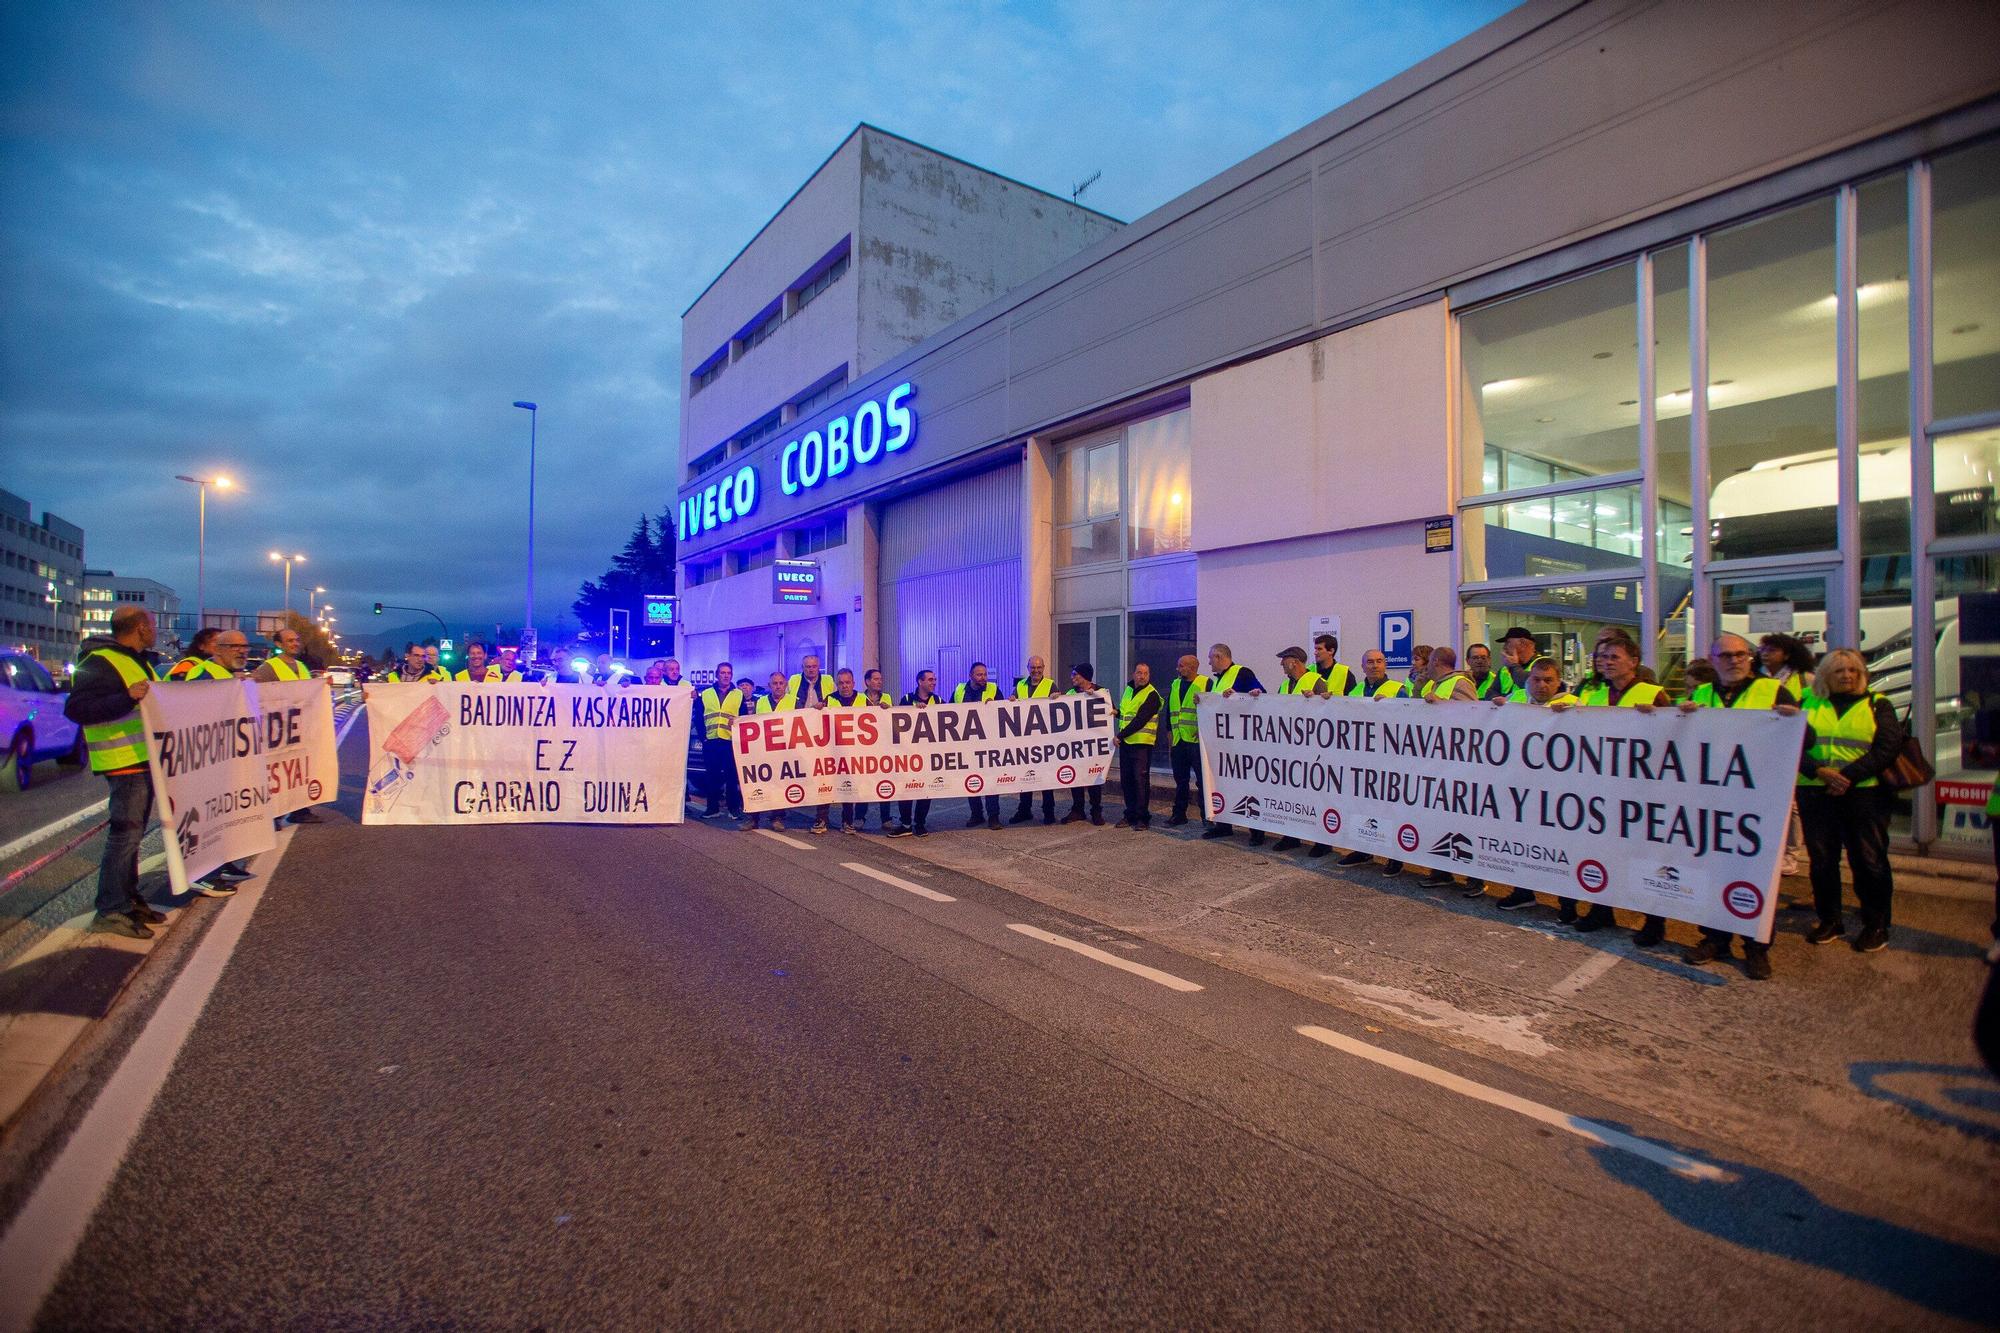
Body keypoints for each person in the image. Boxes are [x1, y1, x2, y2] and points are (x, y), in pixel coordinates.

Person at [1676, 634, 1806, 979]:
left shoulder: (1773, 691)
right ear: (1713, 659)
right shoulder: (1701, 695)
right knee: (1711, 872)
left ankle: (1756, 947)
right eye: (1726, 655)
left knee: (1755, 874)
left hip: (1757, 802)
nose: (1734, 661)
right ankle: (1715, 939)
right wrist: (1677, 717)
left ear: (1750, 658)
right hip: (1710, 801)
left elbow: (1805, 738)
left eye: (1740, 654)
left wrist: (1793, 720)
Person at [64, 610, 176, 937]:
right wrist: (127, 698)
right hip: (123, 759)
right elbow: (76, 709)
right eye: (153, 625)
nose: (155, 631)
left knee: (133, 836)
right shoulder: (100, 661)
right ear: (140, 627)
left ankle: (128, 900)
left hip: (142, 759)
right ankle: (111, 909)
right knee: (124, 835)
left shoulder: (136, 661)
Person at [1556, 632, 1669, 944]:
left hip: (1639, 790)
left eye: (1614, 657)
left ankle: (1654, 920)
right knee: (1602, 851)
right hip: (1601, 788)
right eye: (1602, 657)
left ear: (1633, 661)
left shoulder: (1653, 693)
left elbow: (1674, 736)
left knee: (1643, 856)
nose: (1606, 662)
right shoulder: (1592, 692)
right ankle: (1602, 909)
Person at [1796, 647, 1903, 955]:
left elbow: (1887, 748)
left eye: (1854, 670)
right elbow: (1789, 742)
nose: (1847, 676)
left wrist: (1846, 777)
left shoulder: (1877, 704)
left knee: (1868, 860)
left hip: (1864, 793)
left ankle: (1876, 924)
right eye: (1840, 670)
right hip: (1815, 791)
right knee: (1822, 861)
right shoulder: (1806, 702)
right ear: (1824, 675)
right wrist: (1820, 772)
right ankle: (1830, 920)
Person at [1336, 650, 1414, 873]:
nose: (1374, 665)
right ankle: (1363, 849)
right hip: (1362, 759)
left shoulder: (1398, 689)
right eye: (1369, 662)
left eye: (1379, 661)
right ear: (1362, 667)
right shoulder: (1356, 691)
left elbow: (1409, 719)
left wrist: (1390, 708)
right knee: (1361, 804)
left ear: (1385, 664)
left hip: (1389, 759)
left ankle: (1395, 857)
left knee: (1390, 808)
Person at [1199, 644, 1265, 845]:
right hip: (1222, 744)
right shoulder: (1217, 681)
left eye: (1211, 658)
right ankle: (1223, 825)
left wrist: (1237, 694)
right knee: (1222, 784)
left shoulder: (1242, 673)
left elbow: (1260, 695)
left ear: (1219, 657)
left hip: (1241, 743)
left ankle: (1256, 831)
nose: (1209, 662)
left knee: (1248, 787)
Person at [1262, 647, 1323, 852]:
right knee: (1290, 795)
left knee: (1314, 797)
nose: (1281, 664)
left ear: (1294, 662)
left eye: (1284, 660)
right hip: (1289, 749)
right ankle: (1291, 836)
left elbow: (1328, 709)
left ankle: (1321, 842)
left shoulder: (1316, 681)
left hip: (1311, 750)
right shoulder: (1286, 684)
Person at [889, 669, 941, 837]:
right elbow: (896, 721)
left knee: (926, 790)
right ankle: (905, 824)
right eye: (930, 679)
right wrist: (914, 711)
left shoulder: (938, 700)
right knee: (906, 788)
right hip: (908, 753)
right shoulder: (907, 699)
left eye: (934, 679)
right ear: (920, 681)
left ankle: (920, 824)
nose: (934, 682)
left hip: (928, 754)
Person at [743, 670, 797, 831]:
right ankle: (753, 818)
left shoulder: (795, 702)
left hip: (783, 751)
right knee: (757, 783)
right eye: (775, 683)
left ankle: (777, 818)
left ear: (785, 685)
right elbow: (751, 722)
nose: (778, 686)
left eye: (781, 683)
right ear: (769, 685)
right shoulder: (760, 702)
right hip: (762, 750)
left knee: (780, 785)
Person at [1008, 655, 1059, 825]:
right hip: (1024, 740)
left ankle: (1049, 812)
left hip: (1044, 740)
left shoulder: (1050, 685)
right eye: (1033, 667)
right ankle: (1024, 810)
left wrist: (1057, 699)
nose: (1036, 671)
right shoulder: (1020, 685)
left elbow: (1059, 710)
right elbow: (1011, 706)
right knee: (1025, 777)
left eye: (1039, 667)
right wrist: (1011, 700)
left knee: (1046, 778)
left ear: (1043, 668)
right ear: (1028, 668)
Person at [953, 661, 1001, 829]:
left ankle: (993, 816)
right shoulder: (959, 690)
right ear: (970, 676)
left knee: (991, 781)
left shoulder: (993, 689)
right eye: (979, 674)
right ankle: (977, 814)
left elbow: (1004, 712)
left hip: (988, 743)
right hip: (967, 744)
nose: (983, 678)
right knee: (972, 780)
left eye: (985, 674)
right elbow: (948, 711)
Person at [1164, 654, 1210, 827]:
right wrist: (1170, 737)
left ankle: (1207, 816)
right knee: (1181, 780)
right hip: (1179, 740)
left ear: (1192, 667)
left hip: (1196, 741)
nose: (1178, 668)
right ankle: (1179, 814)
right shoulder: (1175, 684)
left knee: (1202, 781)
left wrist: (1204, 730)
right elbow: (1169, 713)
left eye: (1181, 665)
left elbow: (1213, 710)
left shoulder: (1206, 683)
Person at [1116, 662, 1161, 830]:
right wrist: (1115, 712)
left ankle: (1143, 818)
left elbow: (1140, 720)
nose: (1142, 676)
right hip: (1127, 743)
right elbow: (1126, 714)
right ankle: (1130, 814)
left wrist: (1119, 735)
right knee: (1126, 780)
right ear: (1133, 674)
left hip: (1141, 744)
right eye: (1139, 673)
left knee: (1140, 781)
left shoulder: (1152, 695)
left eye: (1146, 673)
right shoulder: (1128, 690)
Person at [1061, 663, 1107, 827]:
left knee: (1094, 778)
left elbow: (1112, 711)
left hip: (1092, 745)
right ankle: (1078, 809)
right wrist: (1054, 699)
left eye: (1075, 675)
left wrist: (1095, 698)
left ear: (1085, 676)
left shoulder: (1101, 692)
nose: (1072, 677)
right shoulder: (1071, 693)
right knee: (1076, 777)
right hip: (1075, 745)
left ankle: (1096, 811)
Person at [698, 662, 746, 822]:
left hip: (730, 741)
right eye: (723, 673)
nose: (726, 676)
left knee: (731, 776)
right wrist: (703, 738)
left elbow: (744, 718)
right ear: (717, 675)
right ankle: (712, 809)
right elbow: (699, 717)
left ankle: (734, 809)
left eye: (728, 673)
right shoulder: (706, 694)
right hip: (711, 741)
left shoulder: (738, 694)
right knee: (712, 776)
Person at [1758, 633, 1815, 701]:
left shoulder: (1806, 679)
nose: (1765, 653)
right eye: (1762, 649)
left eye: (1772, 650)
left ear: (1786, 655)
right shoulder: (1756, 678)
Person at [1311, 634, 1358, 699]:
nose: (1315, 653)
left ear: (1331, 651)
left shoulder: (1345, 673)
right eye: (1315, 649)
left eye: (1319, 649)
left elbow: (1352, 700)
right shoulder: (1308, 670)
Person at [1498, 627, 1538, 693]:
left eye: (1508, 643)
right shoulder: (1504, 669)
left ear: (1522, 644)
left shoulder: (1542, 664)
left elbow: (1527, 684)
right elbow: (1491, 692)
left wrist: (1513, 666)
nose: (1504, 647)